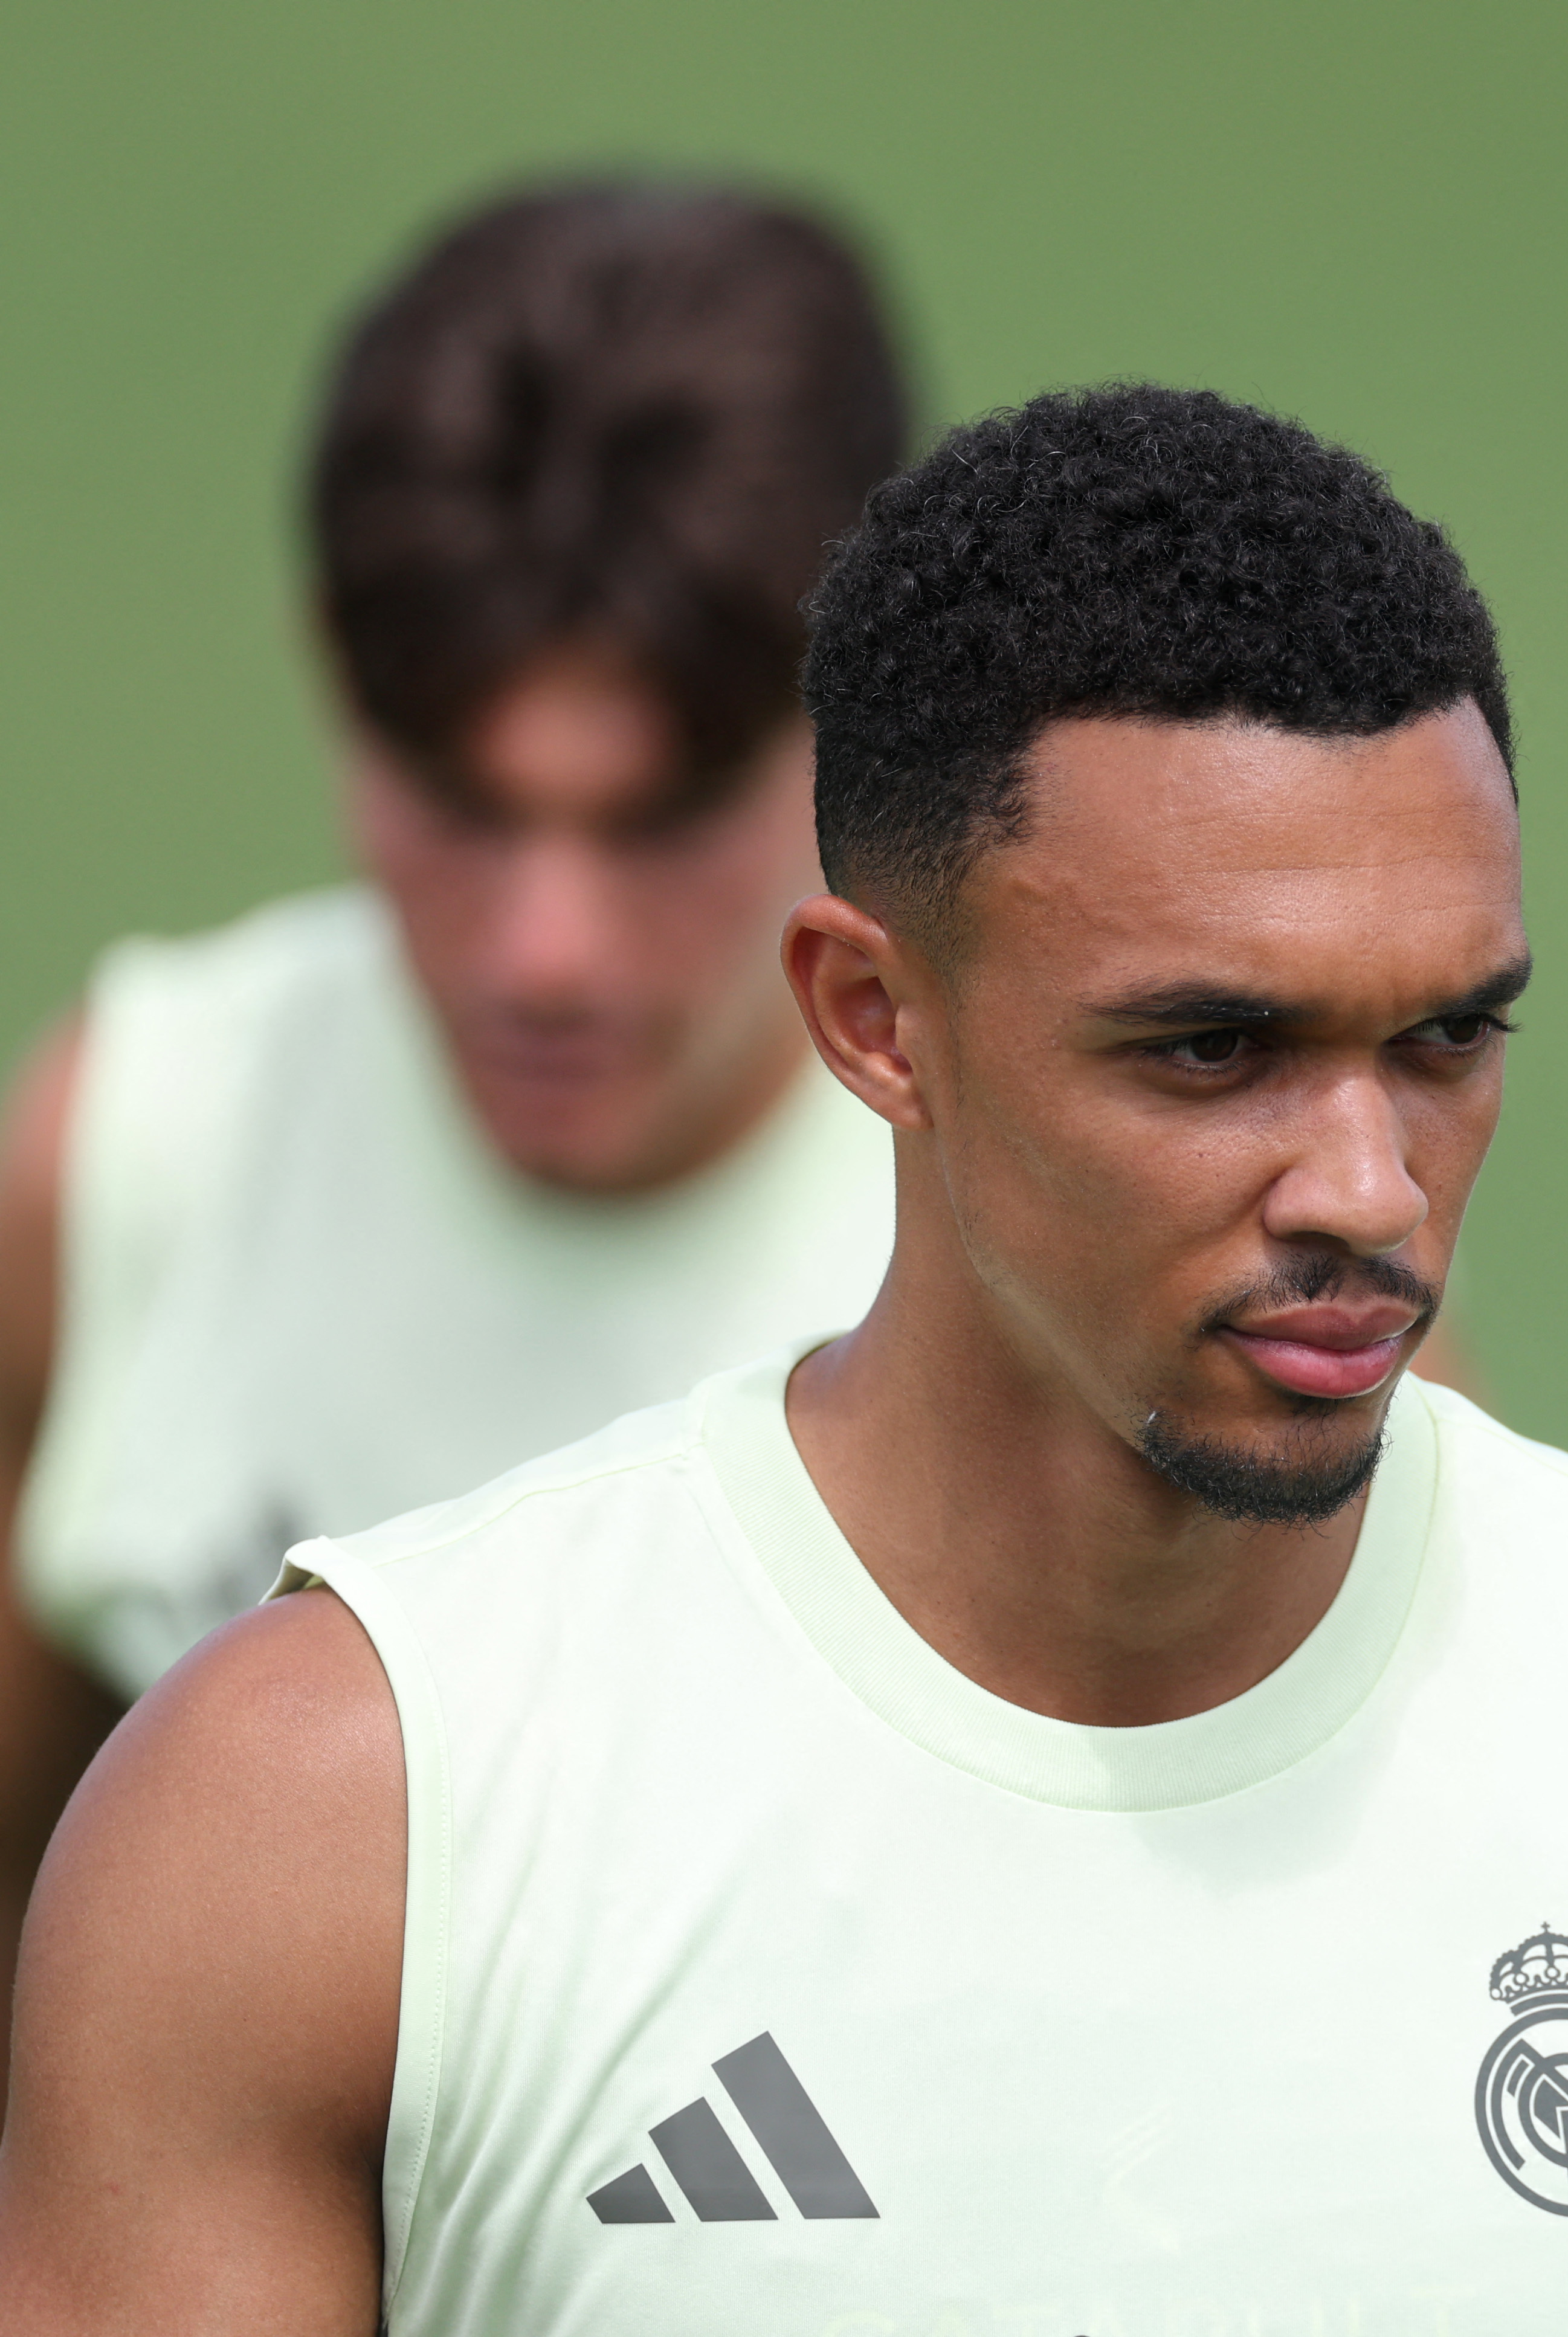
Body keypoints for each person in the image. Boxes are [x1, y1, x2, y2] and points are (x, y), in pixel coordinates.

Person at [0, 384, 1568, 2333]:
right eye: (1209, 1047)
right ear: (876, 1021)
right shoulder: (338, 1819)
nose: (1369, 1180)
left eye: (1444, 1036)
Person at [0, 180, 912, 2047]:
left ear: (871, 721)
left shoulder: (1103, 1236)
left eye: (656, 819)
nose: (543, 950)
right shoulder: (133, 1138)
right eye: (460, 802)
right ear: (336, 667)